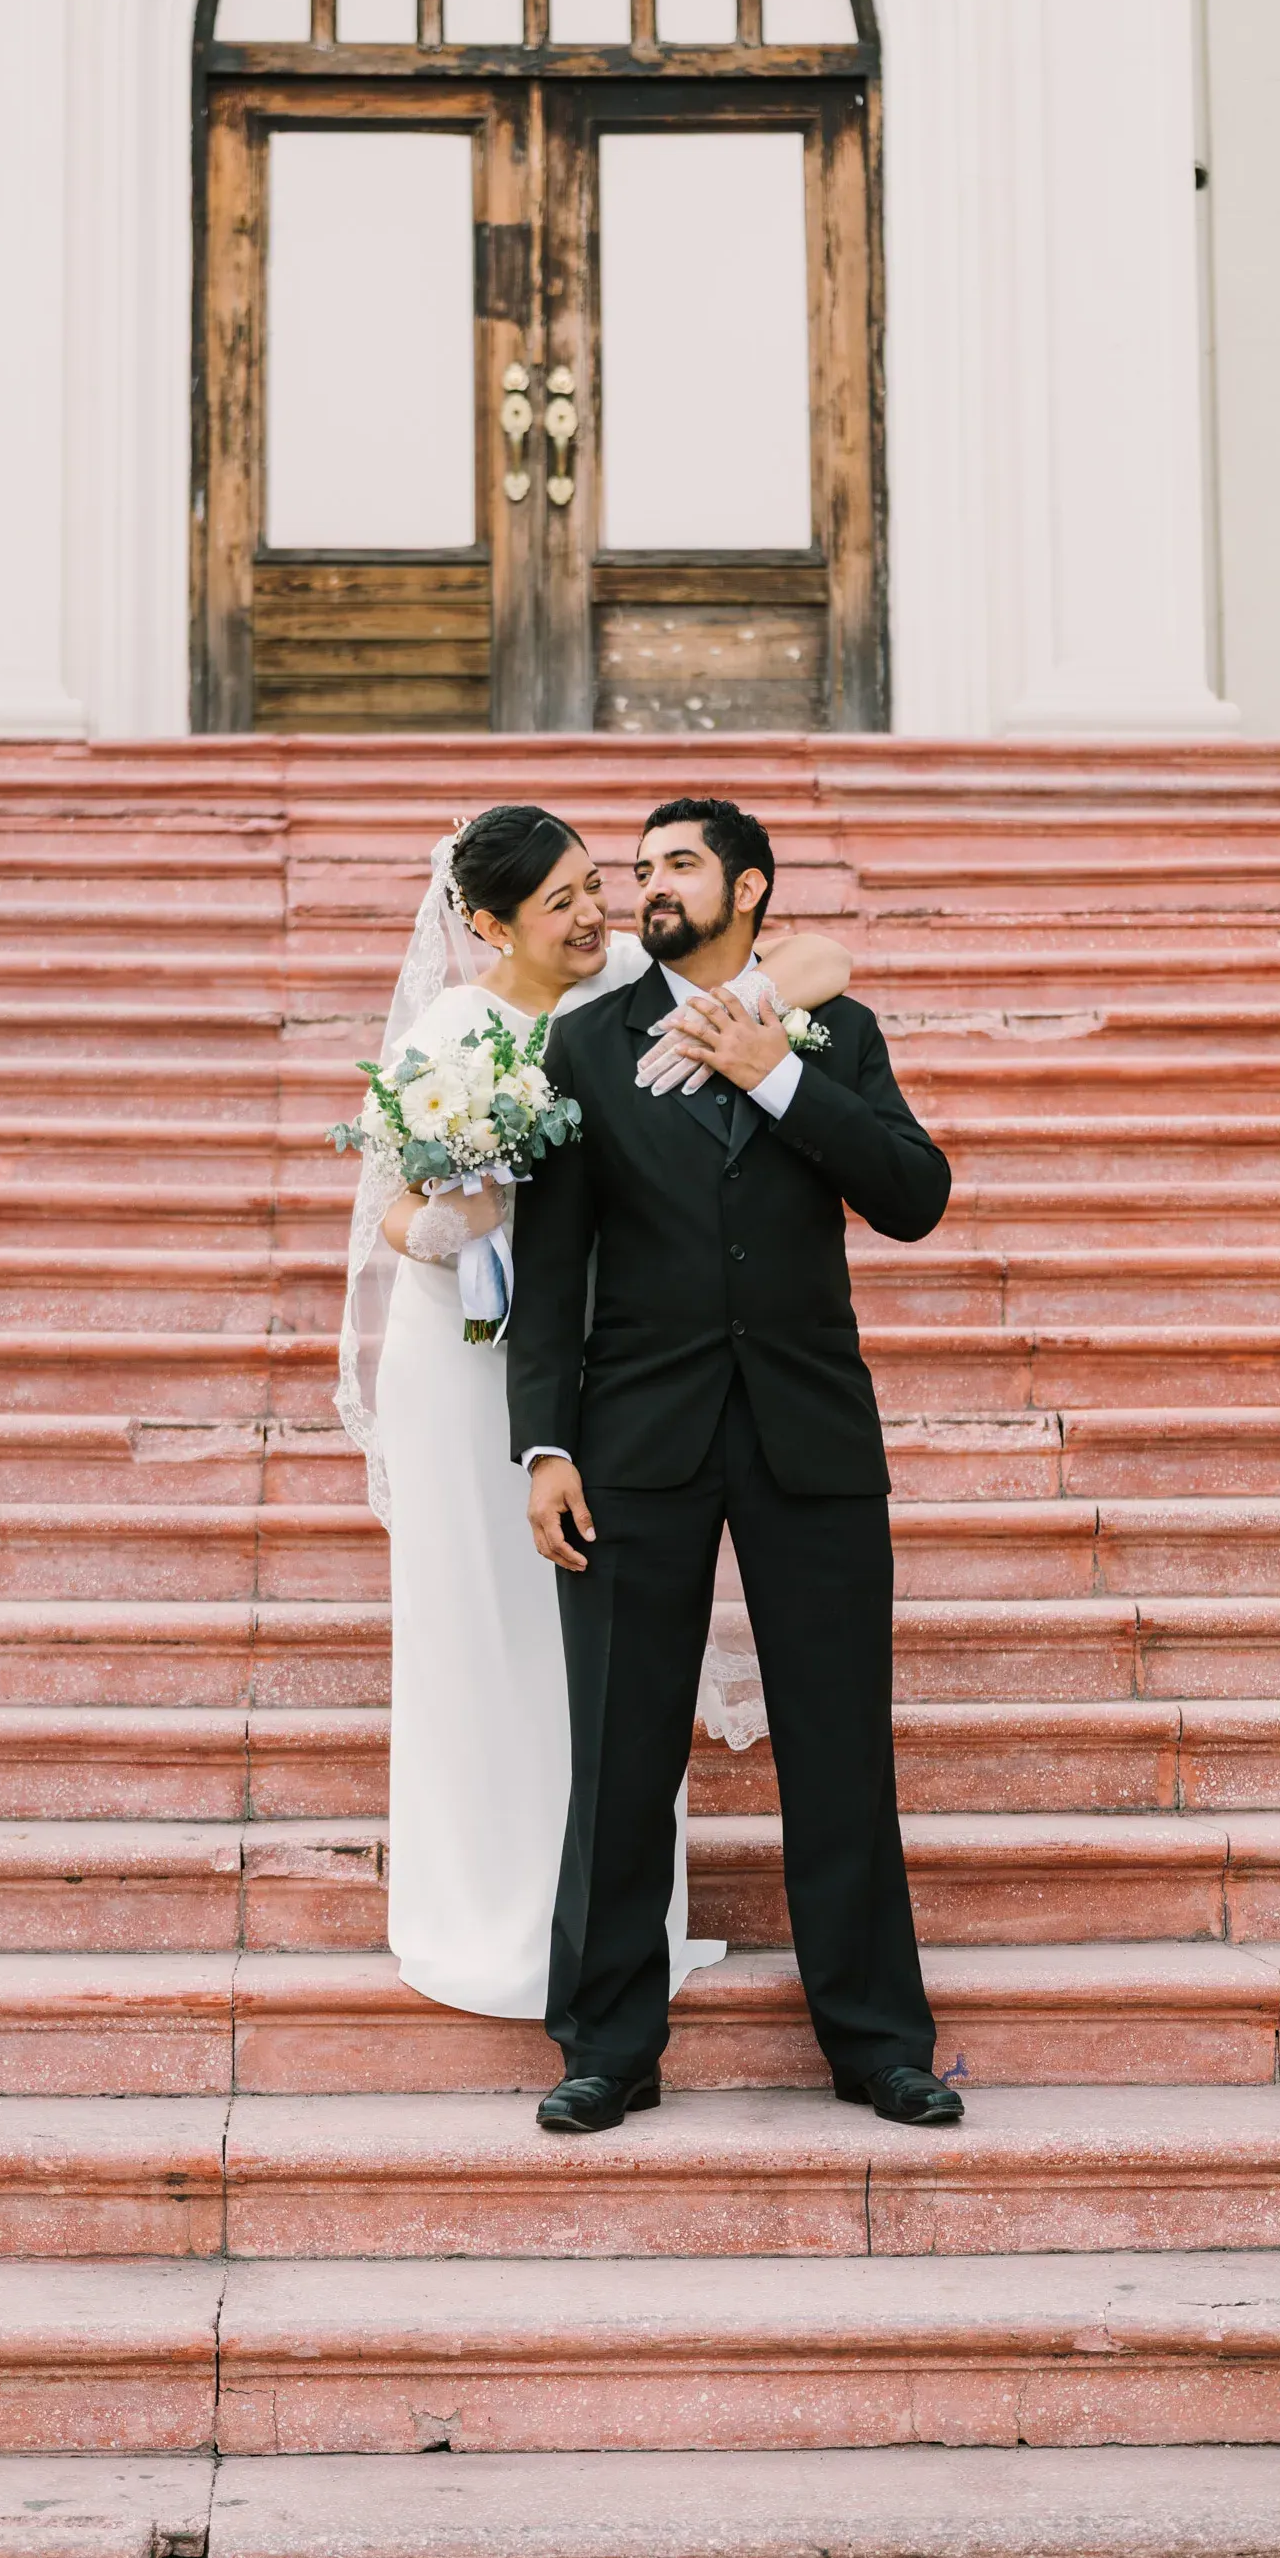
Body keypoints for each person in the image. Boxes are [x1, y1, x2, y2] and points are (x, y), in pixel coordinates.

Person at [335, 802, 853, 2023]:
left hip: (600, 1361)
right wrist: (465, 1225)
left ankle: (610, 1917)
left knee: (594, 1653)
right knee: (481, 1628)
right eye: (560, 898)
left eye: (594, 886)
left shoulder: (627, 981)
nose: (593, 914)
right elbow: (394, 1214)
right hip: (465, 1364)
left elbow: (820, 963)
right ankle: (483, 1908)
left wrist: (724, 1028)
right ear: (483, 921)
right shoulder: (450, 1033)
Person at [507, 795, 963, 2131]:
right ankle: (607, 2042)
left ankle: (878, 2040)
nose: (645, 884)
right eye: (636, 867)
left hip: (809, 1431)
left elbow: (914, 1195)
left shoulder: (840, 1033)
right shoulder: (585, 1046)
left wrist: (777, 1076)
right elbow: (549, 1276)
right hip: (633, 1435)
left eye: (679, 864)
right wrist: (544, 1443)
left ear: (750, 889)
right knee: (621, 1746)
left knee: (838, 1746)